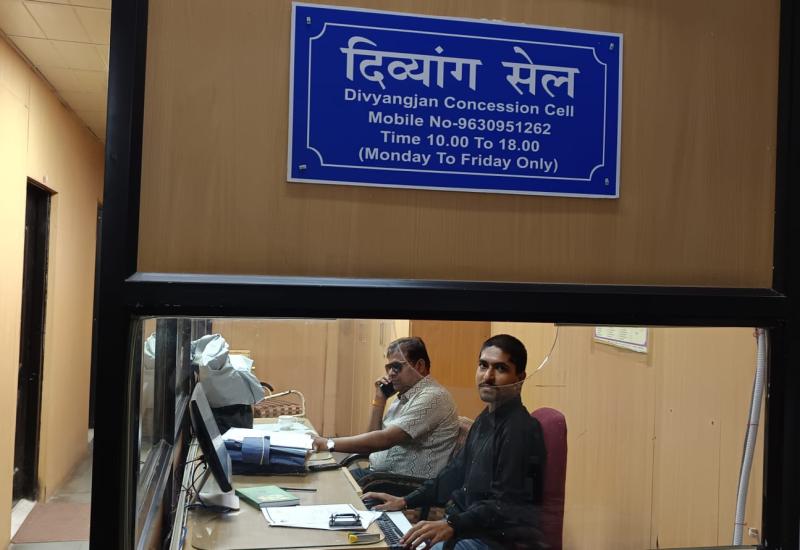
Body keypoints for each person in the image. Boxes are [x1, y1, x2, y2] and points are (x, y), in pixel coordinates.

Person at [362, 334, 546, 550]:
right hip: (464, 526)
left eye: (500, 368)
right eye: (483, 365)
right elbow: (453, 474)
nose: (488, 376)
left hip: (488, 540)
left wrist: (451, 525)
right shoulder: (487, 418)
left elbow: (504, 505)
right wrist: (404, 501)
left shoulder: (520, 430)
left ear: (520, 378)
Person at [312, 336, 459, 480]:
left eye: (396, 367)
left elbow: (385, 439)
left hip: (399, 484)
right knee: (324, 479)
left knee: (329, 486)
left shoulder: (433, 397)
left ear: (419, 366)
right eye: (388, 368)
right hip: (378, 475)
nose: (390, 374)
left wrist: (328, 443)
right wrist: (380, 399)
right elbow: (372, 435)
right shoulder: (405, 395)